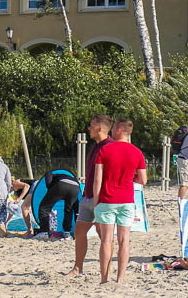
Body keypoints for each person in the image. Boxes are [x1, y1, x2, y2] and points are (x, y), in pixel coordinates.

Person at [91, 117, 147, 285]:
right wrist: (129, 178)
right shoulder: (137, 152)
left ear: (119, 130)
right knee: (124, 240)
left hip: (107, 199)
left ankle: (104, 278)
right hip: (127, 200)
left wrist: (95, 202)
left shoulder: (105, 150)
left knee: (106, 240)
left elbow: (97, 180)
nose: (112, 131)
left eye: (114, 127)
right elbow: (143, 180)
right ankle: (120, 278)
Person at [67, 113, 113, 277]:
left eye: (92, 125)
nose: (89, 128)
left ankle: (106, 270)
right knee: (79, 231)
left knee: (104, 235)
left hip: (102, 198)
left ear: (100, 128)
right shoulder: (95, 146)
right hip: (87, 196)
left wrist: (102, 198)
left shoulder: (110, 146)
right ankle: (78, 267)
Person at [34, 170, 80, 238]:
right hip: (76, 187)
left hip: (61, 185)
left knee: (44, 207)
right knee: (69, 209)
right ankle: (67, 233)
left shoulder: (52, 174)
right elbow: (77, 209)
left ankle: (44, 232)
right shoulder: (69, 177)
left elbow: (48, 174)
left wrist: (50, 189)